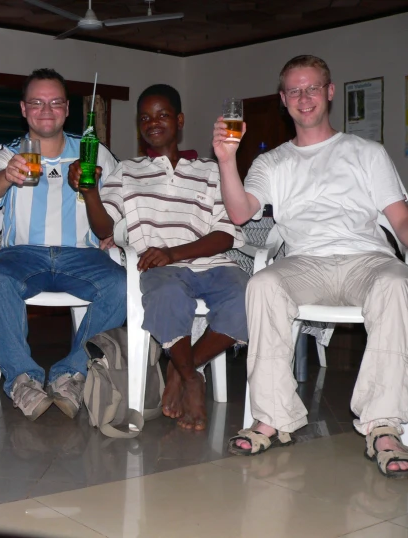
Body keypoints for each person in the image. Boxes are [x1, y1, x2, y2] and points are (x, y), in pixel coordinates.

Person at [215, 54, 408, 477]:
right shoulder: (272, 163)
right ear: (283, 99)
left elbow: (401, 220)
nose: (304, 98)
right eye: (295, 91)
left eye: (313, 88)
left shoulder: (367, 153)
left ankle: (383, 426)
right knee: (263, 284)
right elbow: (239, 213)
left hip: (367, 261)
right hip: (306, 264)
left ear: (330, 92)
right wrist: (227, 158)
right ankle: (274, 417)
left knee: (397, 282)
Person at [74, 84, 248, 431]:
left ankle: (180, 369)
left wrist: (173, 252)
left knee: (251, 295)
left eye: (162, 114)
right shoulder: (126, 171)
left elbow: (226, 233)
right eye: (144, 117)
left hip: (210, 263)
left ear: (179, 120)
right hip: (158, 269)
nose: (153, 122)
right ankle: (193, 380)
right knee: (166, 295)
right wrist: (90, 191)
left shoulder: (211, 170)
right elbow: (103, 225)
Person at [0, 68, 126, 421]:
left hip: (82, 256)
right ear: (23, 108)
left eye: (55, 102)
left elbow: (117, 210)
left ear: (66, 109)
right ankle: (22, 379)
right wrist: (6, 176)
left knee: (122, 285)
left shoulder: (94, 151)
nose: (46, 110)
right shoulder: (9, 152)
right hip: (22, 255)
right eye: (36, 102)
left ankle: (71, 374)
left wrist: (101, 207)